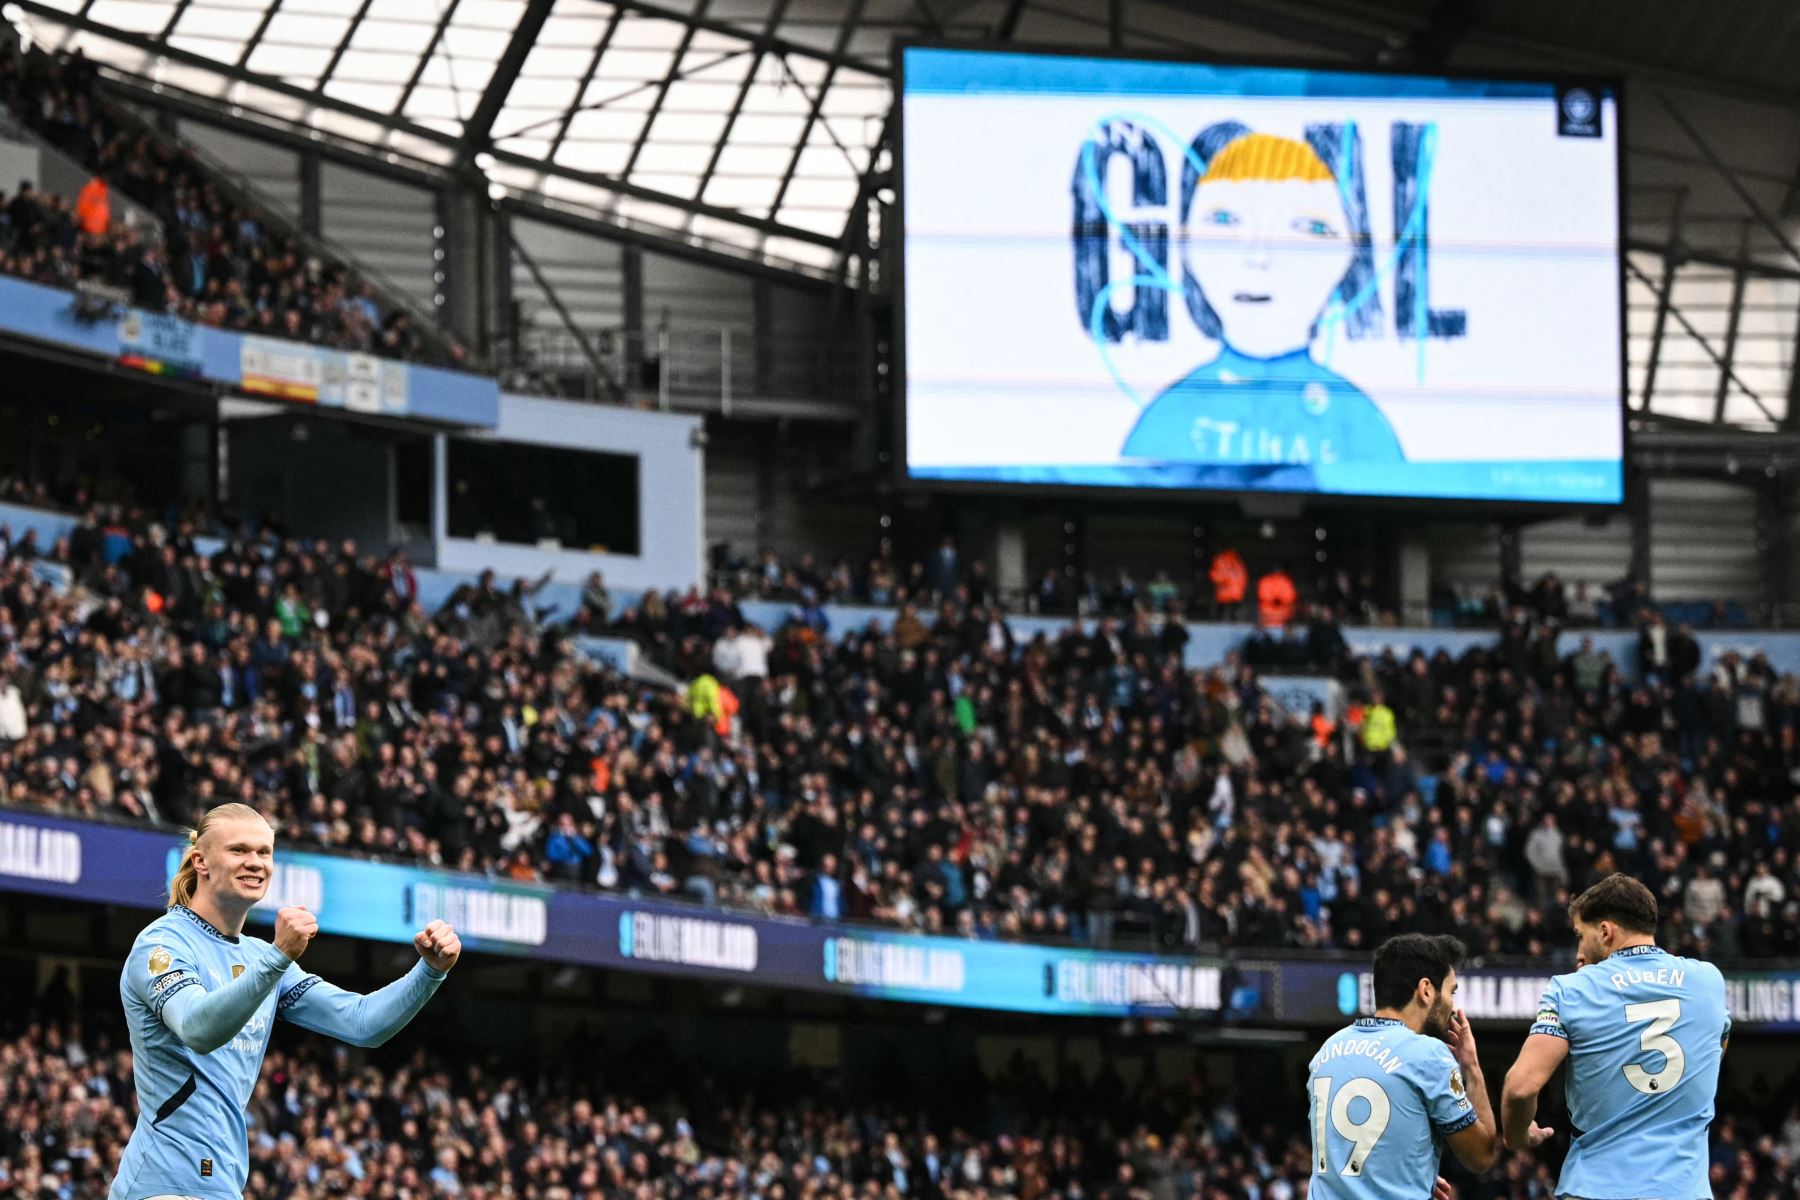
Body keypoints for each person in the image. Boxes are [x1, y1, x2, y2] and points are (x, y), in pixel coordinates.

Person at [110, 802, 460, 1200]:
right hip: (162, 1185)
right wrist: (279, 957)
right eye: (239, 850)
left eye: (264, 852)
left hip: (222, 1186)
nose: (256, 862)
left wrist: (429, 972)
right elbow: (197, 1028)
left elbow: (362, 1024)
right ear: (201, 862)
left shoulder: (261, 958)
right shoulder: (162, 943)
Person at [1120, 132, 1403, 473]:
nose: (1258, 256)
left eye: (1306, 228)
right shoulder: (1169, 418)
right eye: (1225, 221)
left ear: (1348, 253)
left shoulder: (1356, 422)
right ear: (1186, 244)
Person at [1501, 874, 1728, 1199]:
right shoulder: (1708, 981)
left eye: (1581, 936)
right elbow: (1719, 1043)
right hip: (1683, 1190)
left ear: (1606, 931)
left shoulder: (1573, 989)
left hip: (1595, 1188)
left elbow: (1521, 1088)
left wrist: (1518, 1137)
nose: (1579, 951)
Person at [1306, 933, 1497, 1200]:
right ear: (1426, 990)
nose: (1453, 1004)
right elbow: (1481, 1156)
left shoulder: (1326, 1051)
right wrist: (1472, 1068)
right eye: (1451, 991)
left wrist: (1414, 1173)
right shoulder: (1429, 1055)